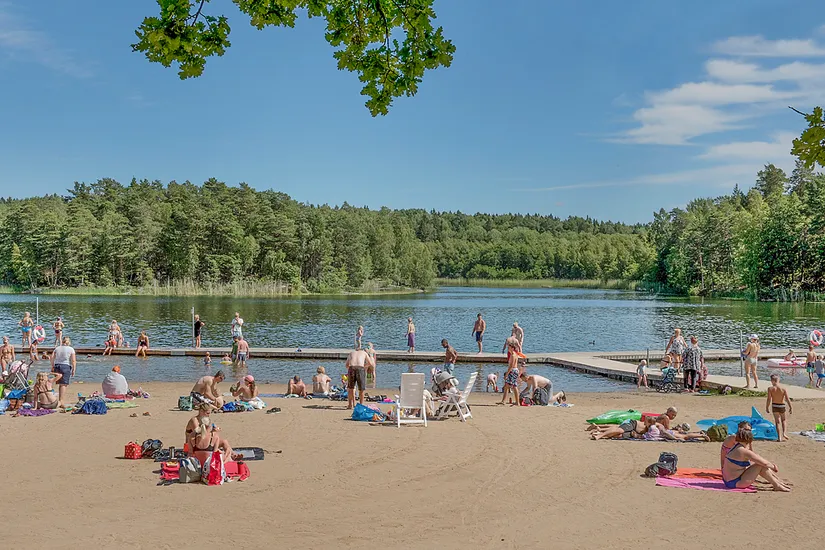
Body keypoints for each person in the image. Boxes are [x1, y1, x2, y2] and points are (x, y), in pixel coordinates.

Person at [722, 426, 790, 491]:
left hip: (728, 481)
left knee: (759, 465)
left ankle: (777, 483)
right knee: (760, 465)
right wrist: (774, 467)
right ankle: (777, 484)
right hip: (734, 483)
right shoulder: (743, 451)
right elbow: (765, 463)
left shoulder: (736, 447)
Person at [50, 336, 76, 409]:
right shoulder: (71, 349)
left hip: (57, 365)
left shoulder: (57, 348)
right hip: (65, 366)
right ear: (69, 342)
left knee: (58, 383)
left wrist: (52, 366)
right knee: (63, 384)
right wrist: (74, 369)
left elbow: (52, 357)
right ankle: (61, 401)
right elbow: (73, 360)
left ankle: (57, 399)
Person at [766, 373, 791, 441]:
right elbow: (787, 399)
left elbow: (769, 399)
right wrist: (790, 407)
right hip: (782, 405)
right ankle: (784, 433)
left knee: (777, 422)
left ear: (772, 381)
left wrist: (767, 407)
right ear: (778, 380)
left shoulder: (770, 389)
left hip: (774, 405)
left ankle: (779, 437)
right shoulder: (783, 388)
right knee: (784, 420)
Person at [498, 339, 521, 406]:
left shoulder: (513, 355)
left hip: (513, 371)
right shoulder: (514, 354)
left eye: (509, 347)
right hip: (514, 370)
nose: (508, 349)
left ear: (512, 348)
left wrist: (507, 374)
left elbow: (511, 366)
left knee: (514, 386)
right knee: (507, 386)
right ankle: (503, 401)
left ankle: (517, 402)